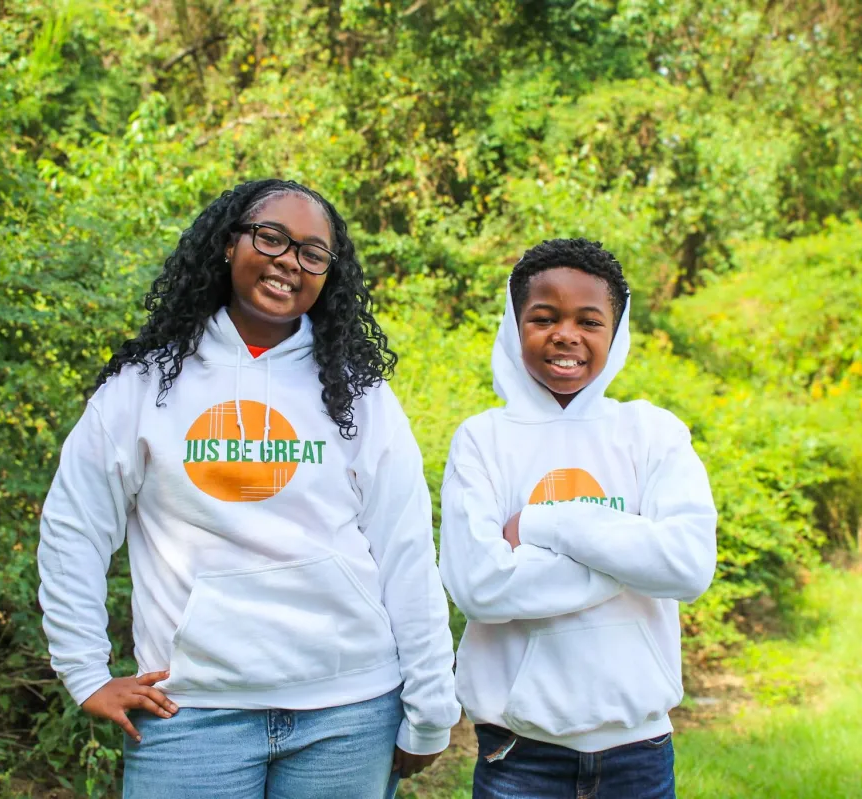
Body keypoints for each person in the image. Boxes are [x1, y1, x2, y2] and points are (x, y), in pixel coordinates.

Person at [38, 179, 460, 798]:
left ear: (328, 275)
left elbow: (406, 550)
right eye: (272, 238)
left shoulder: (357, 395)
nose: (290, 261)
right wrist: (84, 671)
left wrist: (430, 708)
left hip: (350, 710)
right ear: (228, 245)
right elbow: (74, 527)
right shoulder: (145, 386)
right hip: (191, 713)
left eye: (313, 253)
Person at [439, 238, 718, 799]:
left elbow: (688, 568)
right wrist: (635, 556)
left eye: (589, 320)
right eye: (544, 317)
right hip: (520, 753)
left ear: (615, 331)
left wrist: (544, 526)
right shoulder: (483, 440)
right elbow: (481, 587)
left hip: (637, 752)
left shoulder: (652, 432)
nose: (566, 334)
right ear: (514, 325)